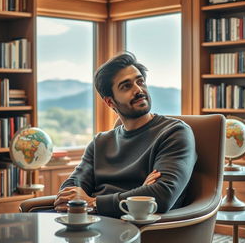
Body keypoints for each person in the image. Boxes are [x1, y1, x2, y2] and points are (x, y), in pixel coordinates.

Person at [54, 52, 197, 218]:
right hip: (92, 223)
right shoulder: (100, 142)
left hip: (136, 227)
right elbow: (71, 188)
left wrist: (93, 202)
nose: (138, 89)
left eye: (140, 81)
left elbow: (162, 195)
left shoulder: (174, 133)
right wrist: (138, 195)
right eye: (126, 86)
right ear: (110, 102)